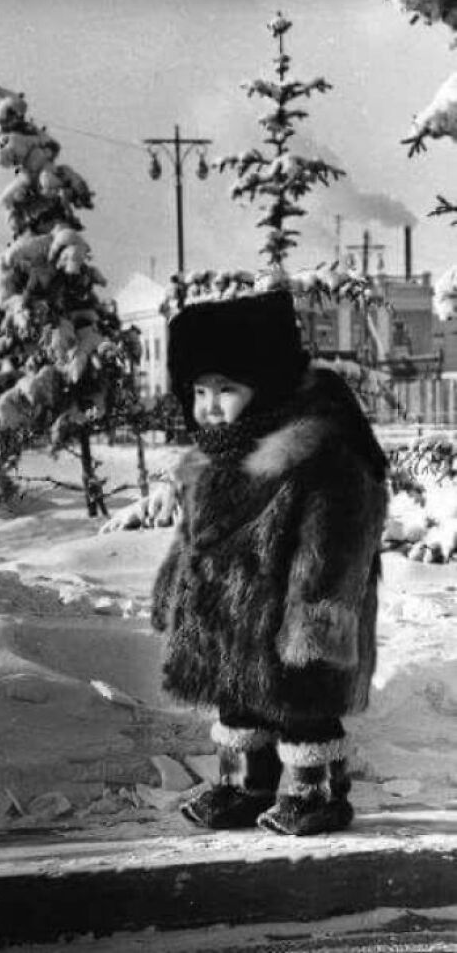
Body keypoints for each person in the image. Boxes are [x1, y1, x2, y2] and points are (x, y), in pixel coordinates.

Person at [151, 290, 387, 836]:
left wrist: (315, 624)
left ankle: (315, 791)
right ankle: (243, 785)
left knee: (303, 706)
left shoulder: (322, 455)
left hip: (292, 619)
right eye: (199, 391)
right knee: (237, 703)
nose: (210, 406)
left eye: (226, 390)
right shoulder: (214, 458)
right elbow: (191, 538)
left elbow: (335, 546)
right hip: (226, 620)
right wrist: (171, 590)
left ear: (267, 385)